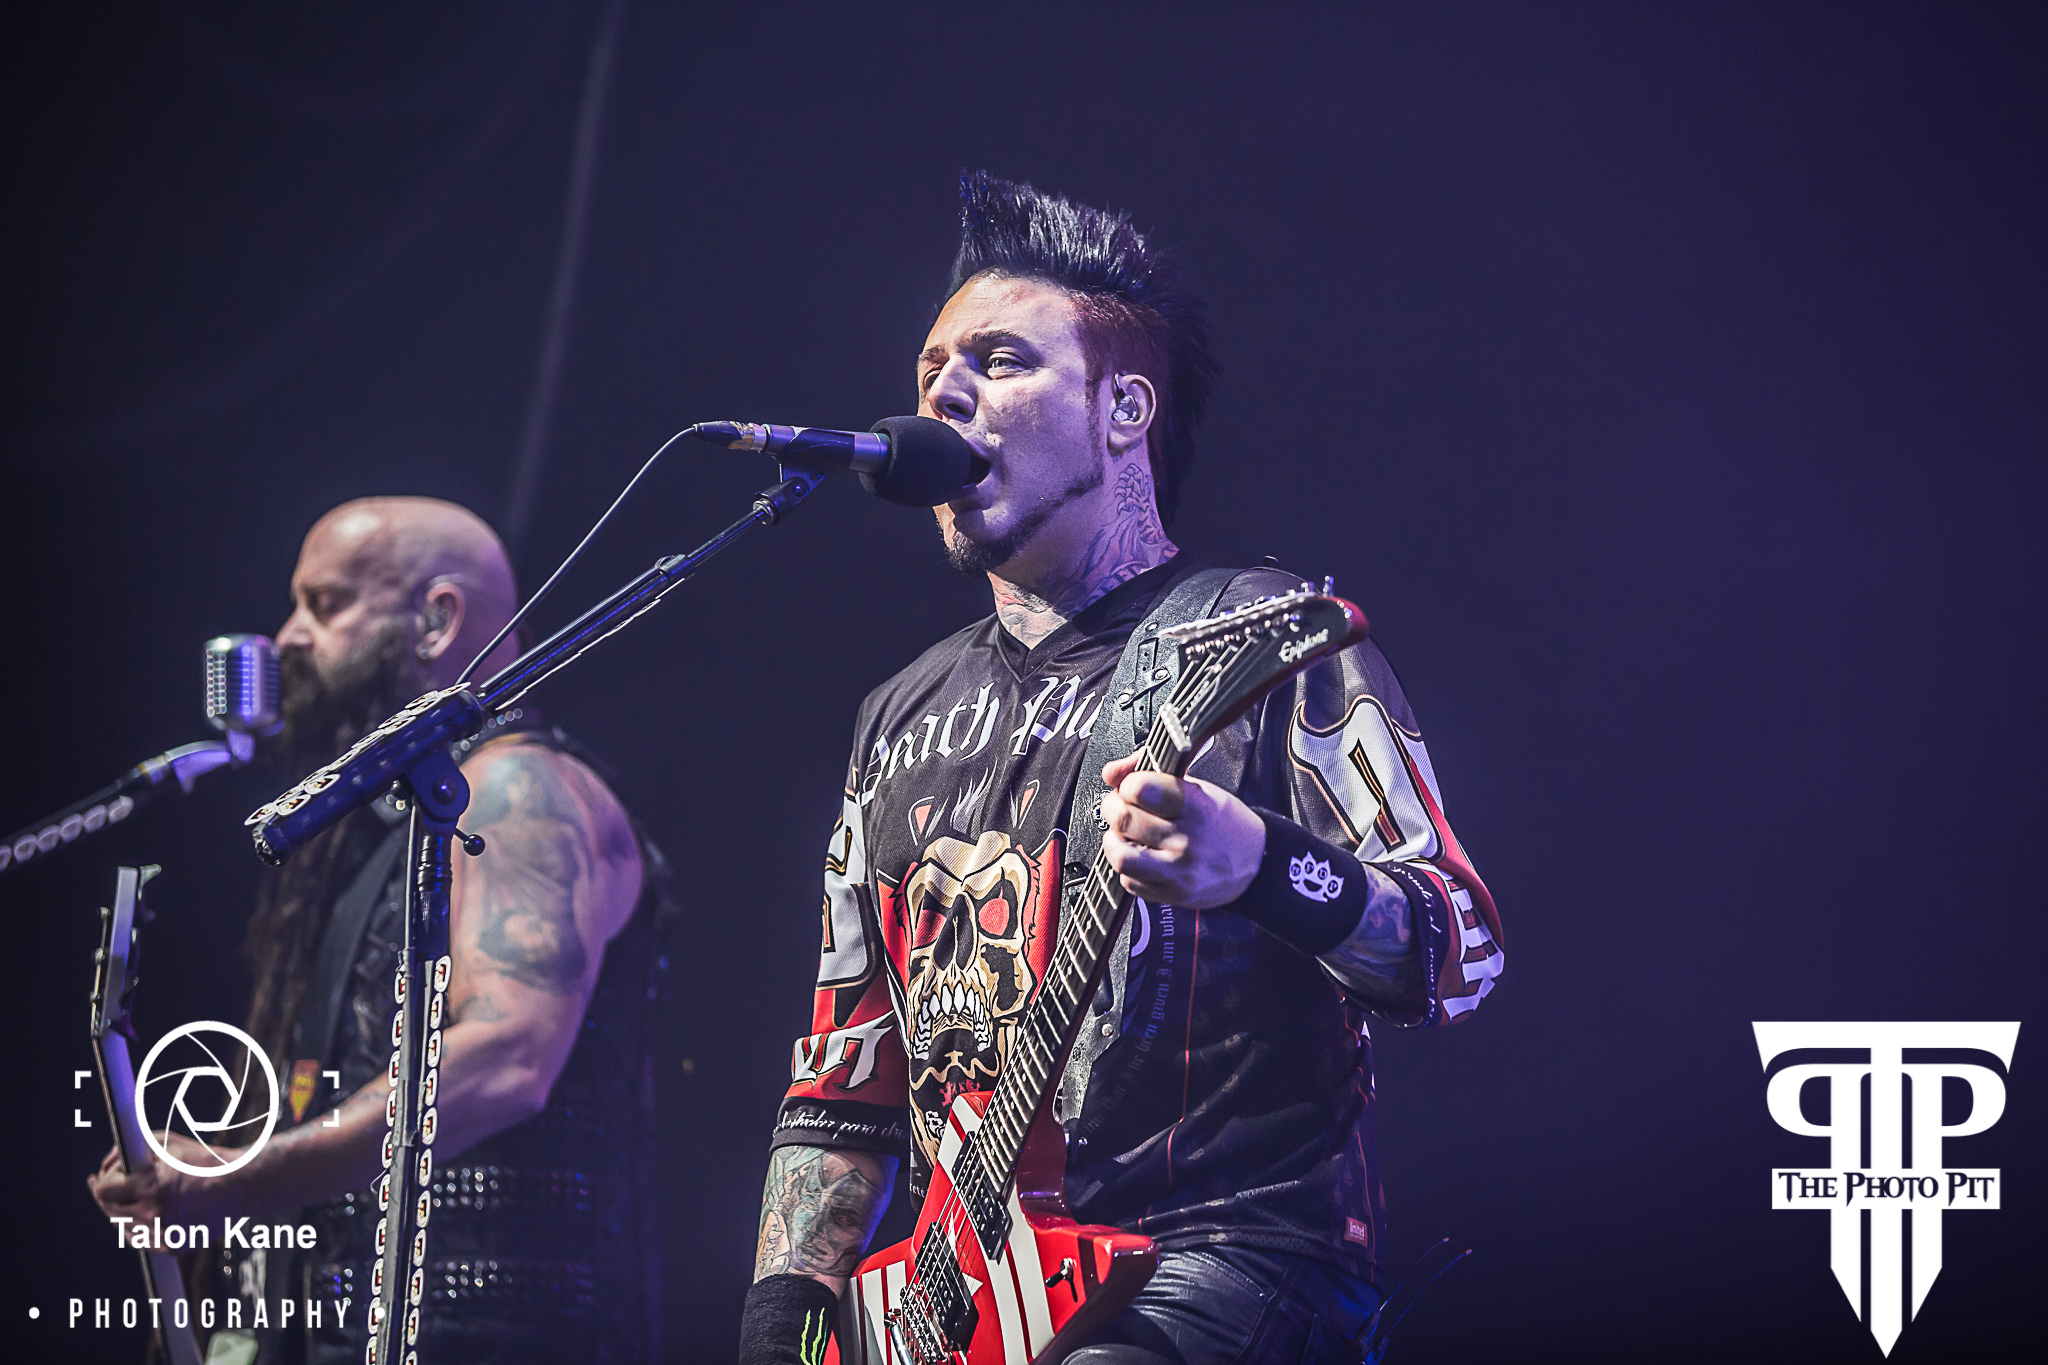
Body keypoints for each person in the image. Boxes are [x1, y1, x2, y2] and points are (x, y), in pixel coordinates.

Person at [739, 174, 1506, 1365]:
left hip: (1223, 1259)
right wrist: (778, 1324)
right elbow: (848, 1067)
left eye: (999, 360)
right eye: (932, 368)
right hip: (969, 1303)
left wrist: (1260, 868)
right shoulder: (894, 716)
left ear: (1122, 408)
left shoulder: (1259, 637)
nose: (944, 392)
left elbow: (1458, 951)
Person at [89, 497, 668, 1364]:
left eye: (324, 605)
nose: (287, 636)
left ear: (436, 620)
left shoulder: (518, 791)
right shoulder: (401, 824)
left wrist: (236, 1178)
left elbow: (507, 1057)